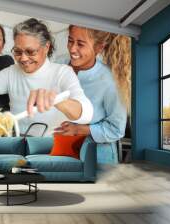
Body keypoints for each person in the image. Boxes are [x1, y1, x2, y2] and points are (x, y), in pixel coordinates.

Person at [0, 18, 93, 136]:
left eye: (30, 51)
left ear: (46, 47)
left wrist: (56, 100)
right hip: (18, 143)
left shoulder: (63, 73)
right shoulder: (12, 72)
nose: (24, 58)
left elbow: (86, 112)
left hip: (51, 148)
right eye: (18, 52)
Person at [54, 25, 131, 164]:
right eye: (70, 40)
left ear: (99, 48)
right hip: (61, 149)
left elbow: (116, 129)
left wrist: (79, 129)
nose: (72, 49)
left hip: (98, 155)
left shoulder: (110, 82)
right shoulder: (59, 64)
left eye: (81, 44)